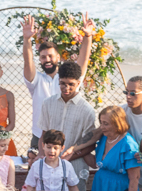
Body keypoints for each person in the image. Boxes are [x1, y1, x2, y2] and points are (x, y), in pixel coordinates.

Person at [43, 61, 98, 191]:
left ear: (79, 84)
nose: (67, 88)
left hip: (75, 165)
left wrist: (69, 156)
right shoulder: (48, 103)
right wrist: (44, 159)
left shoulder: (87, 110)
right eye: (63, 83)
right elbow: (42, 135)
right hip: (50, 163)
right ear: (58, 81)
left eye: (71, 85)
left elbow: (90, 143)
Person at [21, 13, 93, 152]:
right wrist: (27, 39)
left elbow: (83, 60)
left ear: (58, 57)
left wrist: (88, 37)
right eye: (43, 57)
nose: (47, 59)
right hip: (40, 136)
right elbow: (27, 61)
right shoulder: (36, 80)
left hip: (67, 137)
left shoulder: (69, 77)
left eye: (50, 56)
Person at [82, 106, 140, 191]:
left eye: (106, 124)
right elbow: (97, 163)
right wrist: (79, 152)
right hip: (100, 188)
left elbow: (135, 177)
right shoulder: (103, 139)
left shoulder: (128, 145)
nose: (102, 127)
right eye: (101, 122)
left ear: (117, 123)